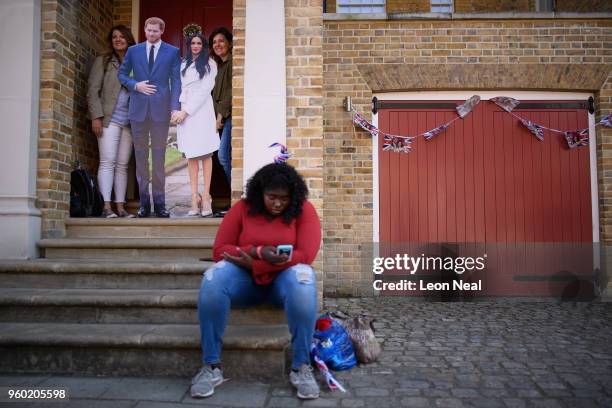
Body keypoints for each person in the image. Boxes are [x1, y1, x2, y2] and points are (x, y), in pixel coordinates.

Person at [191, 163, 321, 400]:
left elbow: (305, 255)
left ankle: (301, 367)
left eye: (284, 198)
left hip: (283, 282)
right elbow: (221, 250)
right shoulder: (243, 208)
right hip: (244, 282)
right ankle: (211, 366)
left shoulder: (304, 210)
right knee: (212, 278)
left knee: (304, 279)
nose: (278, 203)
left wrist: (253, 263)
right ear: (260, 193)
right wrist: (259, 252)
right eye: (272, 197)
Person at [118, 17, 181, 218]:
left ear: (162, 31)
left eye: (155, 31)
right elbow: (122, 74)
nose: (151, 34)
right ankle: (144, 204)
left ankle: (160, 204)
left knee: (159, 157)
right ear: (144, 30)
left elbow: (176, 81)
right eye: (148, 30)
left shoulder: (172, 51)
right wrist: (136, 85)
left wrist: (174, 107)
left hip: (161, 111)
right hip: (138, 110)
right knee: (141, 158)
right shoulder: (133, 51)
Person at [86, 25, 136, 218]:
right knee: (108, 162)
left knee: (122, 165)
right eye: (114, 37)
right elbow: (92, 90)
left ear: (129, 39)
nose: (118, 40)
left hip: (129, 122)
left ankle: (120, 207)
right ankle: (106, 206)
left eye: (122, 36)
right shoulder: (104, 61)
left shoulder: (136, 63)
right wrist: (96, 117)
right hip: (109, 119)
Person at [173, 32, 219, 217]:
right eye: (193, 43)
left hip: (201, 111)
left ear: (204, 45)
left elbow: (204, 90)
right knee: (191, 156)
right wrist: (177, 110)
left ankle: (206, 196)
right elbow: (176, 87)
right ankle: (194, 197)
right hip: (185, 111)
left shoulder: (210, 64)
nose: (196, 46)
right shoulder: (182, 65)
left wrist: (186, 111)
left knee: (206, 154)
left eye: (199, 43)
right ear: (188, 45)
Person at [209, 27, 232, 187]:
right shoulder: (219, 67)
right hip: (221, 118)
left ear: (229, 43)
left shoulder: (233, 63)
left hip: (229, 117)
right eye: (214, 42)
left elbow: (231, 92)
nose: (217, 44)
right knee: (224, 157)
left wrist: (219, 117)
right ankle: (234, 199)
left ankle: (236, 199)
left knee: (223, 156)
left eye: (221, 41)